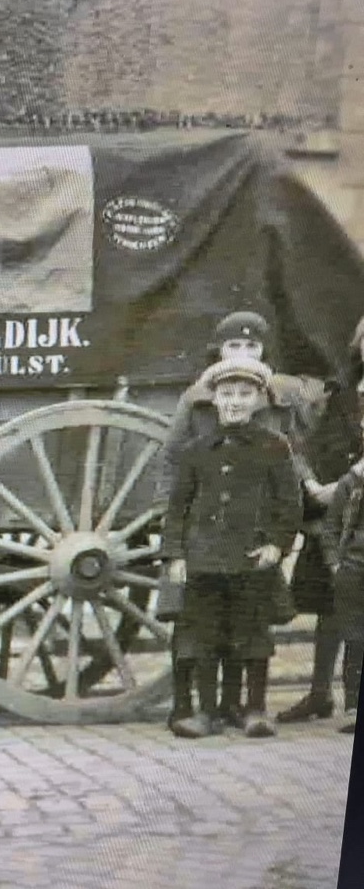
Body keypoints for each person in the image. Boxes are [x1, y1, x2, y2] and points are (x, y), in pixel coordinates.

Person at [162, 311, 329, 728]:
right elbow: (178, 496)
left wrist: (277, 543)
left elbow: (287, 496)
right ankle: (201, 710)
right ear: (215, 394)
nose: (235, 401)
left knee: (251, 630)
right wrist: (175, 550)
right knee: (202, 630)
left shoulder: (274, 443)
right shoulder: (196, 445)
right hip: (204, 550)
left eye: (243, 394)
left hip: (251, 548)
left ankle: (249, 708)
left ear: (256, 399)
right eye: (227, 393)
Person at [278, 316, 364, 725]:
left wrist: (346, 484)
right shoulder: (342, 393)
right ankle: (318, 694)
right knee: (330, 603)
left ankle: (353, 700)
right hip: (334, 513)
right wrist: (312, 481)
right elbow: (313, 443)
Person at [318, 389, 364, 736]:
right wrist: (336, 562)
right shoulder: (353, 482)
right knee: (355, 638)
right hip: (354, 569)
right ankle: (353, 705)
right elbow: (331, 526)